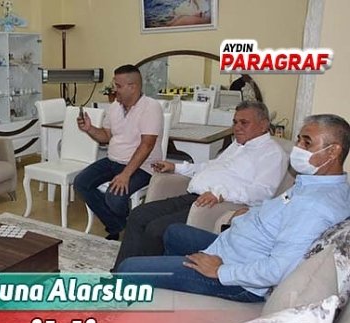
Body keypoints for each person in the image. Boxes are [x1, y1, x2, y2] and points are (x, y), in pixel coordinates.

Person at [115, 114, 350, 302]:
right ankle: (169, 290)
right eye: (299, 140)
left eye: (306, 142)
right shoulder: (315, 184)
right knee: (173, 232)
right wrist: (252, 213)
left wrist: (220, 271)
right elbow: (282, 211)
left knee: (129, 268)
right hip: (232, 246)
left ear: (333, 151)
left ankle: (138, 290)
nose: (297, 147)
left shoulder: (315, 205)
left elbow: (278, 269)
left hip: (240, 279)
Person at [113, 101, 287, 268]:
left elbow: (262, 192)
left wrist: (221, 193)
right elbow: (209, 167)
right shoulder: (237, 145)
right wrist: (176, 167)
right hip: (193, 196)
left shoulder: (272, 153)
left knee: (156, 229)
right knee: (138, 214)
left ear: (263, 125)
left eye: (244, 122)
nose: (237, 127)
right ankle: (120, 273)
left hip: (214, 205)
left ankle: (142, 276)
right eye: (235, 122)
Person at [74, 64, 164, 240]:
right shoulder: (115, 106)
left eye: (118, 86)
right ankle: (120, 225)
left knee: (114, 197)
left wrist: (125, 175)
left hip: (143, 167)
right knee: (81, 183)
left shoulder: (151, 107)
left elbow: (147, 145)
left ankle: (120, 227)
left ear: (133, 87)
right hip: (113, 160)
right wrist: (89, 128)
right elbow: (105, 136)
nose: (115, 90)